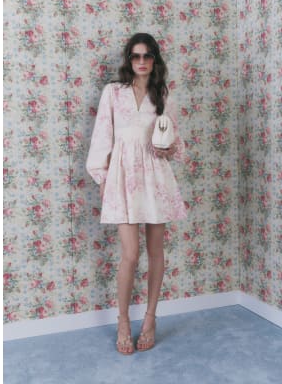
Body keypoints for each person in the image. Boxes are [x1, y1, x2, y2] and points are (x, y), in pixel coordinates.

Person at [86, 33, 187, 355]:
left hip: (156, 176)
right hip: (123, 177)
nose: (141, 61)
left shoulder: (163, 94)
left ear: (155, 59)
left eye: (147, 56)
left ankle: (150, 319)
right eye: (135, 56)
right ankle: (123, 321)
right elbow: (102, 134)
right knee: (130, 254)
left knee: (156, 251)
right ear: (129, 59)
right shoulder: (113, 92)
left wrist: (171, 149)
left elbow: (175, 141)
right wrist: (102, 178)